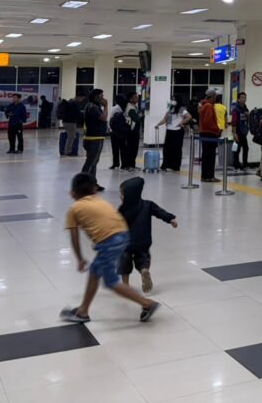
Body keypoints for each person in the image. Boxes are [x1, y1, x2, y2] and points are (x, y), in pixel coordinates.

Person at [59, 173, 159, 324]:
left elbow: (74, 238)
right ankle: (83, 311)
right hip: (123, 235)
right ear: (94, 189)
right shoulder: (98, 199)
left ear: (72, 193)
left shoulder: (74, 209)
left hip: (109, 241)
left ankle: (147, 304)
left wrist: (80, 259)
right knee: (94, 271)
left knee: (111, 282)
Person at [117, 176, 177, 294]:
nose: (120, 196)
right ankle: (144, 270)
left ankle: (125, 284)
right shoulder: (148, 205)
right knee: (143, 258)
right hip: (143, 240)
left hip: (126, 243)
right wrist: (170, 219)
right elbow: (160, 212)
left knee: (124, 260)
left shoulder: (122, 210)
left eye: (122, 194)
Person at [81, 89, 108, 190]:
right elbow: (103, 118)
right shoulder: (93, 107)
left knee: (93, 162)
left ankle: (92, 183)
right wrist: (106, 106)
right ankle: (81, 184)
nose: (103, 98)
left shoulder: (92, 106)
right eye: (101, 95)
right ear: (96, 96)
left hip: (94, 138)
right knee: (91, 162)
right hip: (94, 139)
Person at [157, 96, 190, 172]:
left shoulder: (181, 109)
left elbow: (189, 117)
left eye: (174, 99)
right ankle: (166, 165)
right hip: (169, 131)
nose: (172, 101)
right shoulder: (170, 109)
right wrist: (158, 124)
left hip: (177, 131)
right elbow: (165, 119)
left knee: (176, 149)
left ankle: (175, 166)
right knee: (167, 149)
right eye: (172, 99)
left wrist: (181, 122)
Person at [198, 88, 222, 182]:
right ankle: (209, 176)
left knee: (206, 155)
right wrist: (217, 129)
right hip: (210, 133)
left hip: (204, 132)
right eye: (215, 95)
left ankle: (205, 176)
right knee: (210, 156)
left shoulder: (203, 105)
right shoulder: (208, 106)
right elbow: (208, 121)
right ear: (213, 96)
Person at [108, 94, 129, 170]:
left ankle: (115, 164)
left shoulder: (114, 108)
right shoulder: (125, 108)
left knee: (115, 149)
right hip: (123, 131)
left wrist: (110, 129)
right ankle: (124, 164)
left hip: (114, 132)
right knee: (123, 148)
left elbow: (110, 120)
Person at [230, 92, 250, 170]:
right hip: (237, 132)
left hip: (243, 132)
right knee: (236, 149)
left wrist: (248, 116)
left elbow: (247, 120)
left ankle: (245, 164)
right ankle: (236, 164)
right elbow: (234, 122)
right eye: (242, 97)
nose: (244, 99)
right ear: (238, 99)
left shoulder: (245, 108)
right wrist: (234, 133)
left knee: (246, 148)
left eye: (245, 97)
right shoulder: (236, 109)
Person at [123, 93, 142, 170]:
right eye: (135, 97)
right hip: (132, 131)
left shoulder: (134, 107)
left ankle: (132, 165)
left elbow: (139, 116)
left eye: (137, 97)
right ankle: (129, 165)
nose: (137, 98)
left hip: (135, 130)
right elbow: (137, 119)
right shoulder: (130, 107)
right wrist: (140, 116)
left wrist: (139, 116)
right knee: (131, 148)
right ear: (130, 99)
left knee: (134, 148)